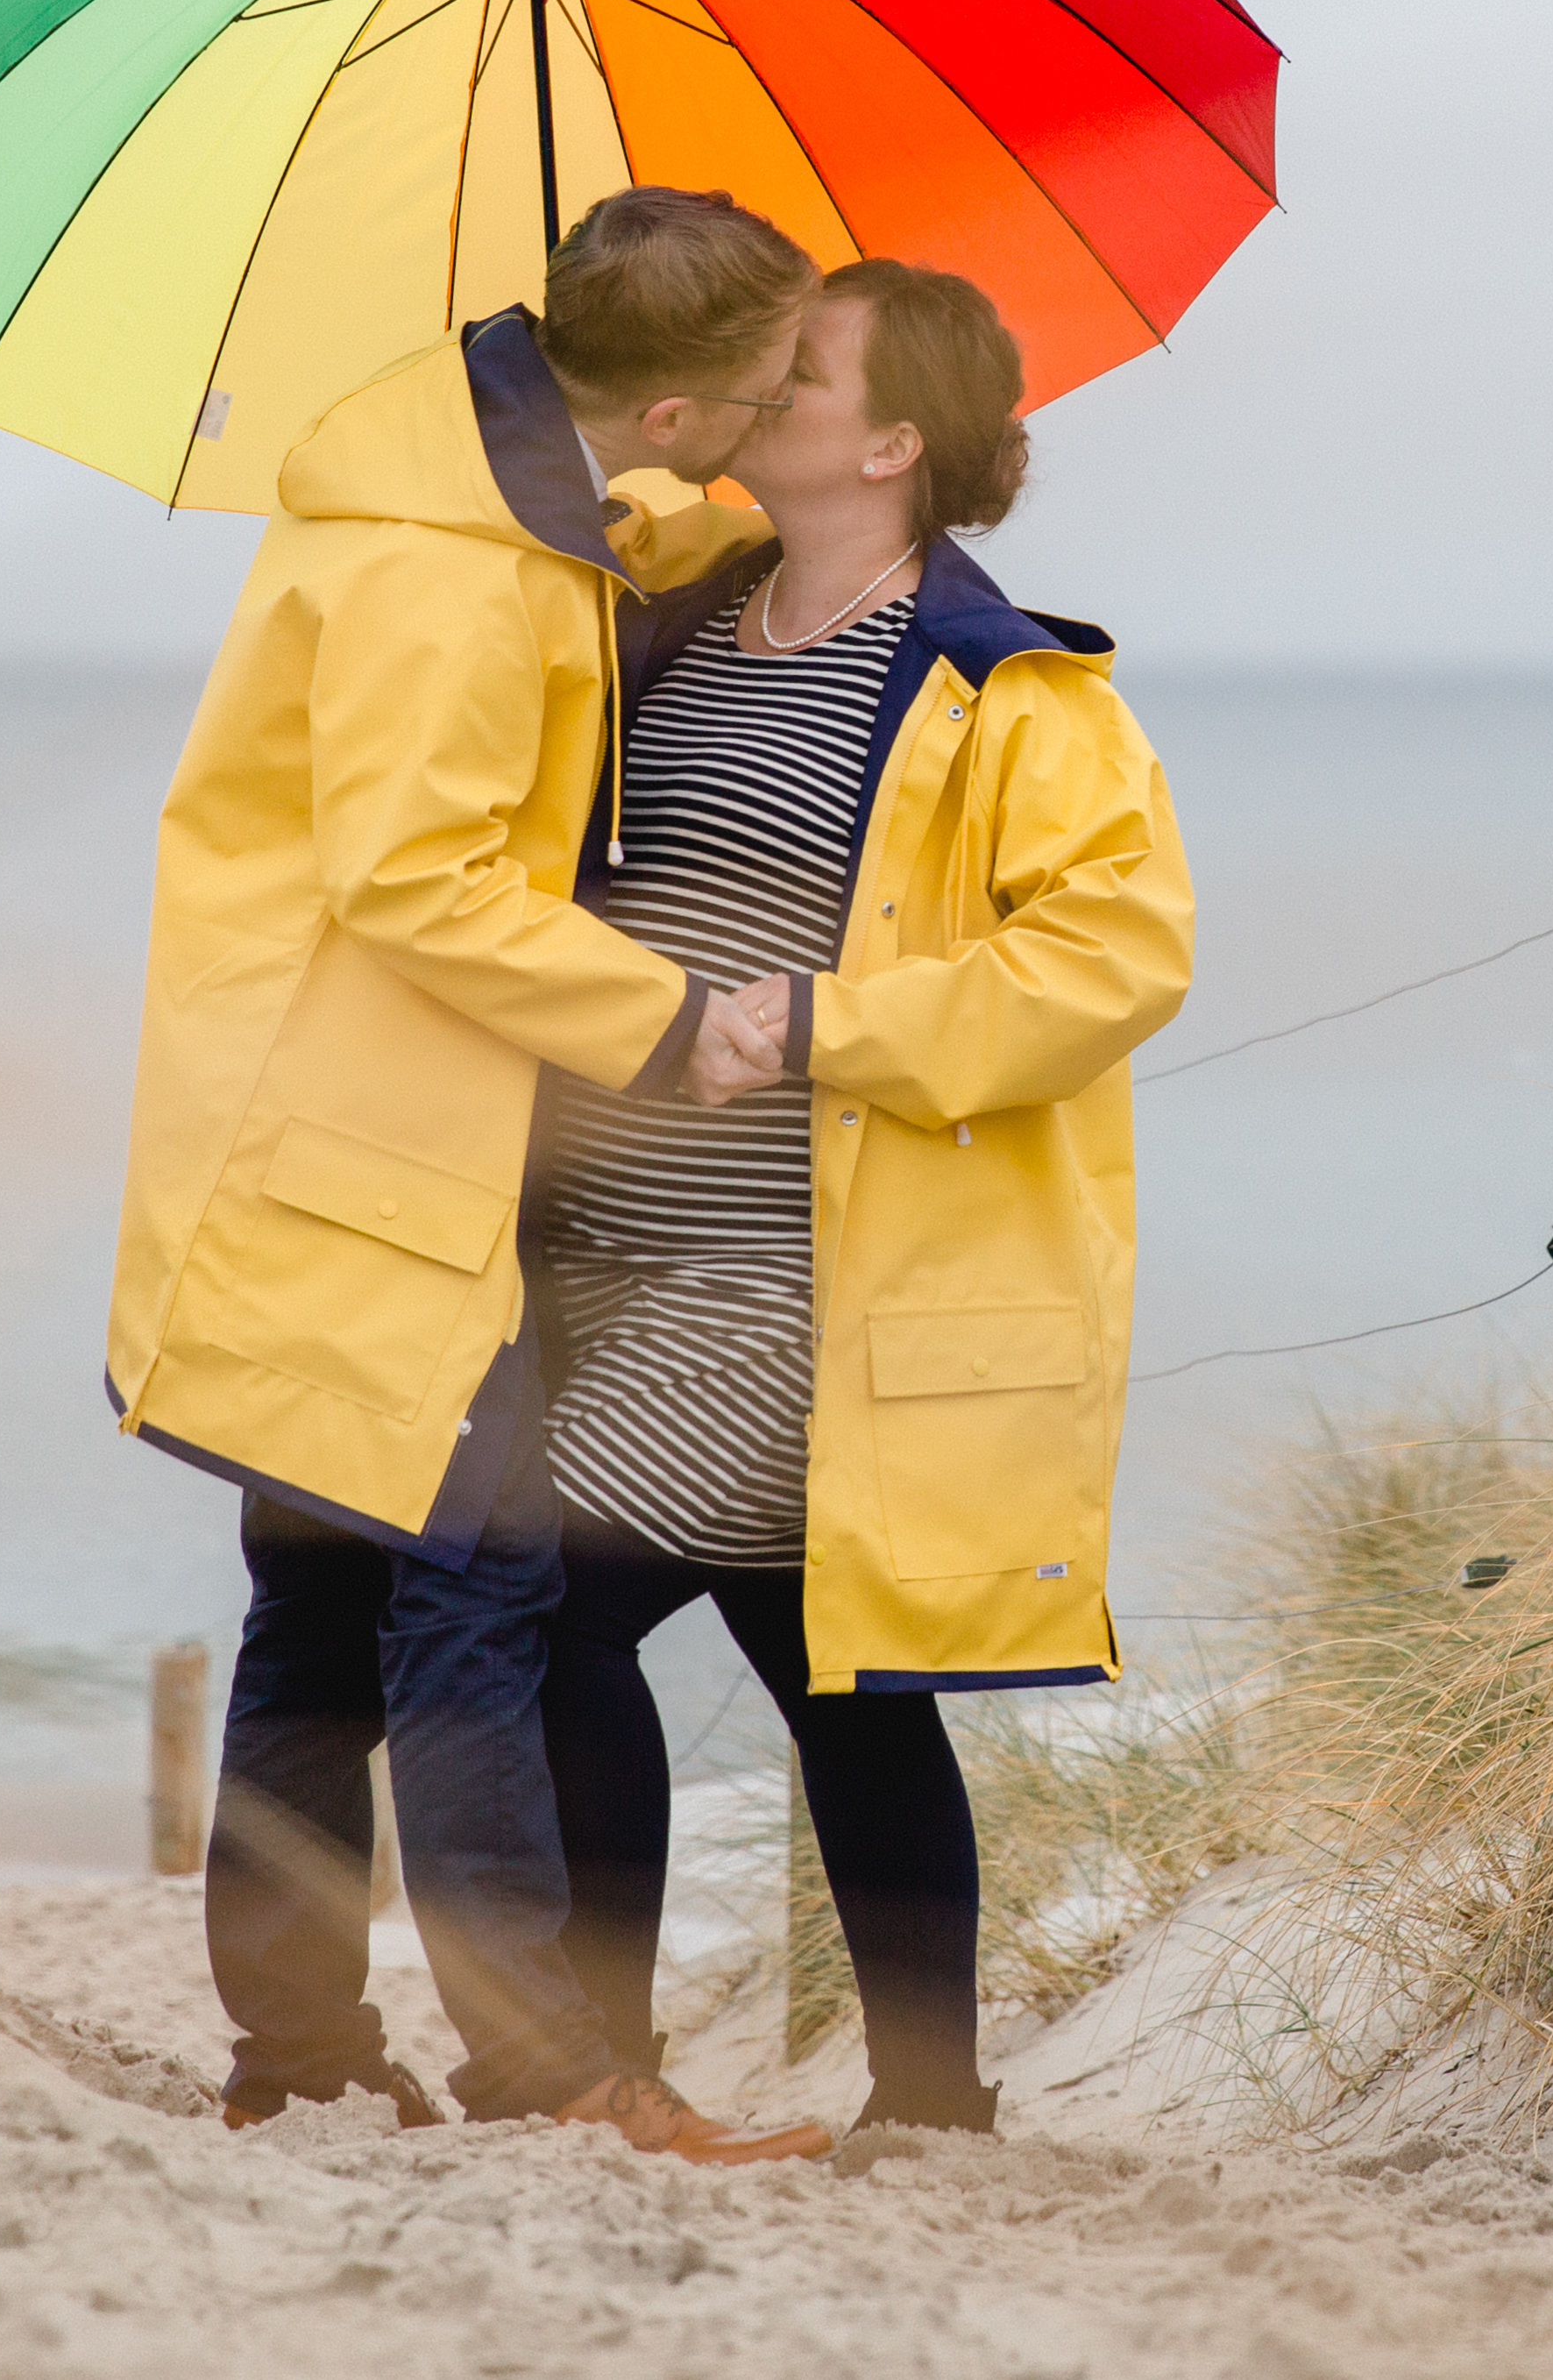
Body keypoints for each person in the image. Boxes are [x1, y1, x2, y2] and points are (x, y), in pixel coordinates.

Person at [106, 186, 831, 2162]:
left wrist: (764, 529)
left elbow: (590, 544)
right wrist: (677, 1019)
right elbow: (411, 873)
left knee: (322, 1610)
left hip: (313, 1134)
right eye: (767, 389)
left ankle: (300, 2047)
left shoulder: (468, 480)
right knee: (477, 1582)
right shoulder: (447, 572)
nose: (785, 411)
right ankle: (541, 2063)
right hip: (358, 1147)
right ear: (675, 400)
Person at [528, 256, 1195, 2135]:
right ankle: (928, 2099)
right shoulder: (674, 599)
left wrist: (829, 1022)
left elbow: (1112, 957)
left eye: (794, 370)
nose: (754, 387)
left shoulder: (1015, 693)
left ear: (894, 441)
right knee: (833, 1670)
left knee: (545, 1602)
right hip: (607, 1247)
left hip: (803, 1273)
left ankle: (606, 2071)